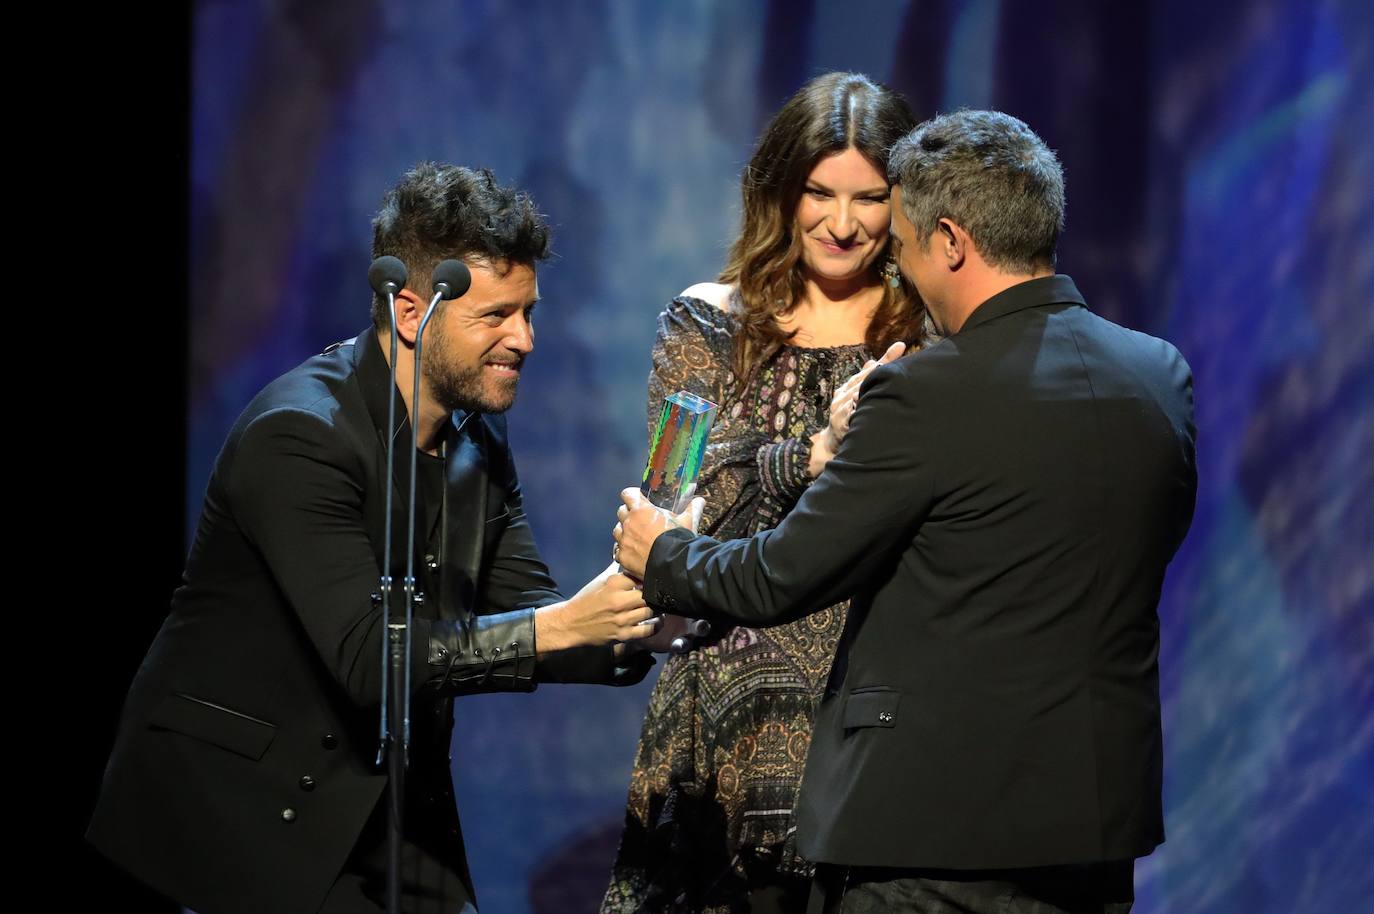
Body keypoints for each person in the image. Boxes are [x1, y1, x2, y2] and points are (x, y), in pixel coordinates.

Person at [614, 110, 1198, 914]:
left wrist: (664, 557)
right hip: (1090, 830)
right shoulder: (1159, 376)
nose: (897, 262)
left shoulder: (926, 391)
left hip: (928, 832)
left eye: (904, 241)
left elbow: (785, 572)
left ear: (951, 242)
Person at [87, 163, 659, 914]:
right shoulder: (296, 436)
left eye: (529, 312)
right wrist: (560, 626)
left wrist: (649, 621)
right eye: (497, 316)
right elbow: (369, 658)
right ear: (413, 312)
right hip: (249, 809)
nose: (524, 339)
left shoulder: (478, 442)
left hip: (388, 806)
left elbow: (533, 615)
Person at [601, 72, 924, 914]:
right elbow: (672, 517)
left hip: (871, 719)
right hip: (719, 724)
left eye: (870, 198)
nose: (843, 224)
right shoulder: (706, 324)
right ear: (781, 190)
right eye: (820, 192)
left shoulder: (928, 338)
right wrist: (812, 454)